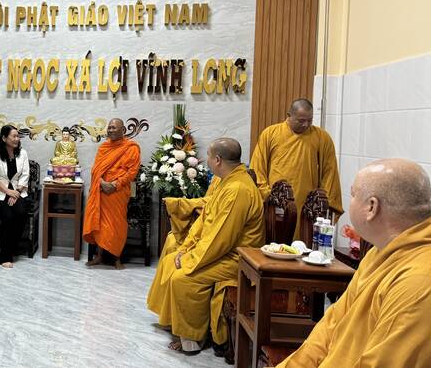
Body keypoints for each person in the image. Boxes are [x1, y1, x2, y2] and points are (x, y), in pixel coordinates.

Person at [277, 159, 431, 367]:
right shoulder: (379, 252)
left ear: (371, 207)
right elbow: (330, 327)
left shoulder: (419, 282)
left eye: (353, 194)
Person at [147, 138, 264, 354]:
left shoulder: (238, 189)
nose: (206, 160)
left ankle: (193, 340)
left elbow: (221, 238)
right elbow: (205, 221)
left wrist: (190, 258)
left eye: (209, 156)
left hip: (237, 258)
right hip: (222, 250)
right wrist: (187, 248)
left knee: (183, 278)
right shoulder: (226, 181)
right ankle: (176, 323)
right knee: (171, 259)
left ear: (218, 160)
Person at [250, 98, 342, 239]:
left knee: (302, 245)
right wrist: (267, 195)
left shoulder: (322, 137)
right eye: (300, 120)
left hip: (306, 205)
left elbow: (330, 172)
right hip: (275, 202)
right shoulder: (270, 134)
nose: (306, 125)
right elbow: (258, 167)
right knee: (273, 243)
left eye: (309, 120)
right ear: (289, 116)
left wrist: (324, 203)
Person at [83, 118, 141, 269]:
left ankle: (116, 258)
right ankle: (100, 256)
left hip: (118, 192)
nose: (111, 130)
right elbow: (96, 169)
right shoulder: (104, 147)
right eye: (109, 128)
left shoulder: (131, 148)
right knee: (100, 223)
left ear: (123, 130)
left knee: (117, 224)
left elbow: (132, 171)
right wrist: (102, 183)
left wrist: (115, 184)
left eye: (114, 128)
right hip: (101, 190)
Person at [0, 125, 30, 268]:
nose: (17, 139)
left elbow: (25, 175)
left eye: (18, 136)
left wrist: (16, 193)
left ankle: (12, 247)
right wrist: (8, 192)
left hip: (17, 191)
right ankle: (5, 256)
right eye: (13, 136)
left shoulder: (23, 153)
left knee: (21, 213)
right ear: (4, 138)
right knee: (8, 216)